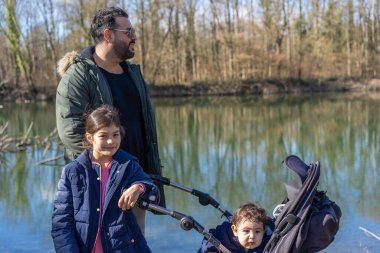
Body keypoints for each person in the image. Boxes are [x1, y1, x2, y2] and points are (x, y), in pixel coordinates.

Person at [55, 6, 165, 233]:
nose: (134, 37)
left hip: (135, 184)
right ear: (108, 35)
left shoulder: (133, 73)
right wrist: (109, 170)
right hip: (100, 188)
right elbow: (71, 132)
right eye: (128, 31)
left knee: (135, 245)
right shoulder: (78, 76)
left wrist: (140, 178)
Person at [51, 105, 158, 253]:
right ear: (90, 137)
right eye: (103, 136)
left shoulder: (128, 165)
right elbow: (61, 224)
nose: (111, 141)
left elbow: (152, 191)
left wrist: (138, 187)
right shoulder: (72, 172)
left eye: (115, 134)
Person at [199, 203, 274, 253]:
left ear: (264, 231)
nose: (252, 236)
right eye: (246, 231)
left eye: (257, 231)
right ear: (235, 230)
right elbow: (209, 242)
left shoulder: (268, 242)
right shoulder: (224, 239)